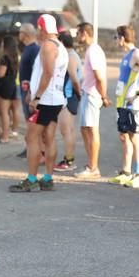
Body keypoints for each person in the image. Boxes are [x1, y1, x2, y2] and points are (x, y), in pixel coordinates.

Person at [8, 14, 69, 193]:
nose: (38, 32)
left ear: (42, 28)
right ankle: (48, 178)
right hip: (54, 99)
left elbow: (48, 73)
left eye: (39, 28)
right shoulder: (60, 46)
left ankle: (32, 179)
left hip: (46, 100)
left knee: (31, 138)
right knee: (49, 137)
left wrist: (37, 97)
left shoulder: (48, 46)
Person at [108, 25, 139, 189]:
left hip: (131, 104)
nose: (116, 41)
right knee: (124, 137)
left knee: (135, 136)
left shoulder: (137, 54)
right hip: (122, 103)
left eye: (116, 37)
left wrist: (138, 93)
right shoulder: (127, 55)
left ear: (122, 37)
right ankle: (126, 172)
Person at [74, 22, 110, 179]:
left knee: (91, 129)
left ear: (84, 33)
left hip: (92, 94)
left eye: (78, 33)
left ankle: (93, 167)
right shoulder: (92, 50)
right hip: (88, 93)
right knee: (85, 129)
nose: (76, 37)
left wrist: (103, 96)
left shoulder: (93, 51)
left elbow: (99, 76)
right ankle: (91, 164)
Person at [53, 31, 82, 172]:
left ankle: (69, 161)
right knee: (69, 130)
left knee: (66, 130)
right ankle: (69, 158)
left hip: (68, 96)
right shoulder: (73, 55)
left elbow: (74, 78)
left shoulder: (70, 57)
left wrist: (78, 92)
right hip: (70, 95)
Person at [0, 35, 21, 144]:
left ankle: (4, 137)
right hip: (13, 85)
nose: (1, 45)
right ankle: (8, 132)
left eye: (2, 43)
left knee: (4, 112)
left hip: (4, 86)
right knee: (10, 111)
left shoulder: (4, 58)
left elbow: (1, 74)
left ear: (5, 45)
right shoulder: (15, 57)